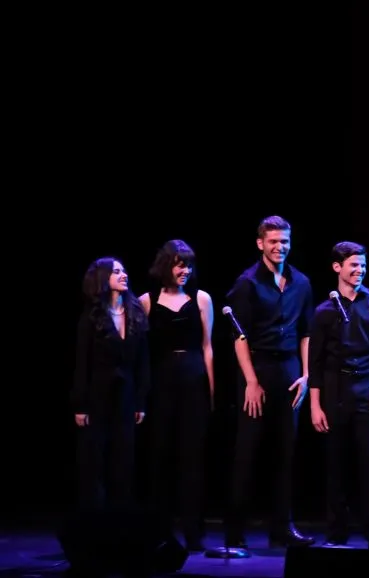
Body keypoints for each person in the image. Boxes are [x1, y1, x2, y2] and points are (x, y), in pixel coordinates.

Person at [224, 216, 314, 549]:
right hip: (257, 368)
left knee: (285, 452)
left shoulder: (301, 282)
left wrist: (306, 375)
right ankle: (235, 530)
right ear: (261, 243)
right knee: (247, 453)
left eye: (285, 241)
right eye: (274, 241)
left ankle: (282, 527)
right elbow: (238, 335)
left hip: (289, 370)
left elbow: (306, 332)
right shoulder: (247, 283)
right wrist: (250, 380)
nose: (280, 247)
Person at [308, 241, 369, 550]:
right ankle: (336, 532)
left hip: (367, 390)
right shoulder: (324, 311)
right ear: (337, 267)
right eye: (353, 265)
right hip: (334, 392)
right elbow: (315, 363)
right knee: (335, 464)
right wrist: (315, 405)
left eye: (362, 265)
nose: (359, 270)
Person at [139, 240, 214, 551]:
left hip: (194, 377)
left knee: (192, 458)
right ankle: (159, 529)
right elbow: (141, 352)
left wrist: (212, 392)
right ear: (166, 265)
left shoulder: (201, 298)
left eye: (189, 265)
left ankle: (193, 531)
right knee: (159, 457)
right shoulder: (146, 301)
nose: (185, 270)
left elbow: (208, 347)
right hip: (162, 380)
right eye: (179, 264)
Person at [71, 257, 150, 510]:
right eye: (116, 271)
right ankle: (94, 519)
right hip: (97, 396)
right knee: (94, 459)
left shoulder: (135, 313)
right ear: (103, 278)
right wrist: (80, 405)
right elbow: (82, 362)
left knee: (124, 459)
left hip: (125, 395)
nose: (124, 274)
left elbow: (143, 361)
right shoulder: (92, 318)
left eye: (124, 270)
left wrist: (140, 400)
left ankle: (121, 518)